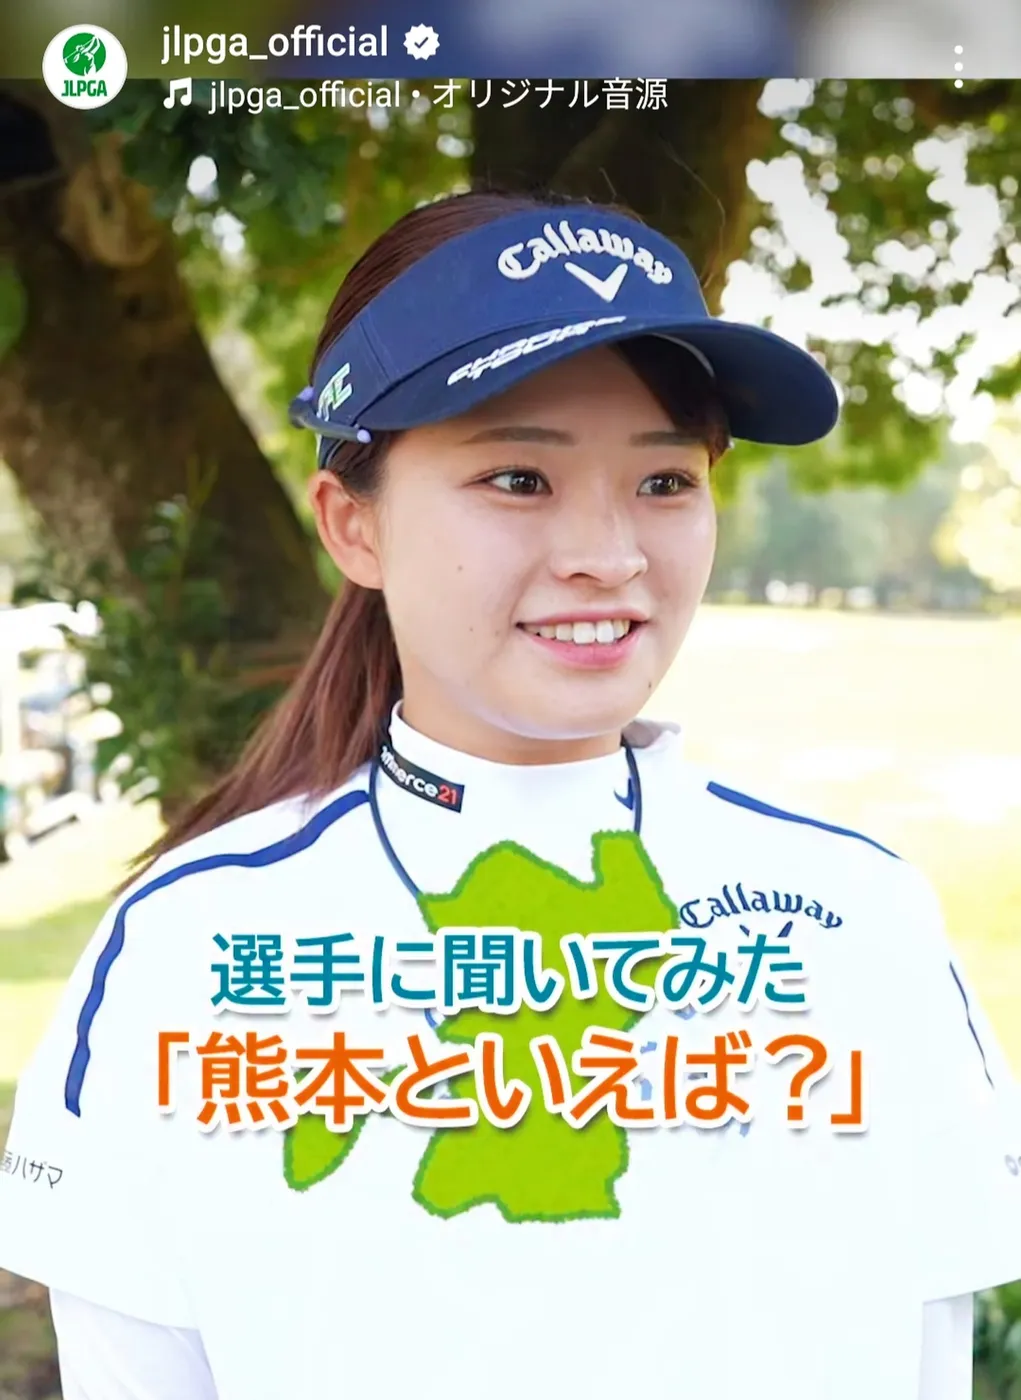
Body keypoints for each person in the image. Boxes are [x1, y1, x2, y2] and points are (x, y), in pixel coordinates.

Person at [0, 190, 1018, 1400]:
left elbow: (923, 1358)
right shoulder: (184, 944)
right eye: (520, 476)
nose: (611, 554)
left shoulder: (858, 915)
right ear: (352, 525)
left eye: (664, 480)